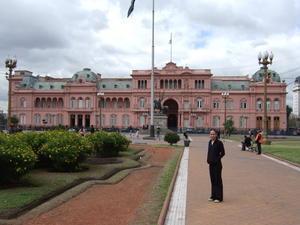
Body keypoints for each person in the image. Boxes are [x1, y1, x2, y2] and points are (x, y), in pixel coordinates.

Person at [207, 129, 225, 203]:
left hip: (217, 165)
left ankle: (219, 197)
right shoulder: (210, 142)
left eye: (213, 134)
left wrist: (217, 159)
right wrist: (208, 159)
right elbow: (209, 152)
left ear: (216, 135)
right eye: (211, 134)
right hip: (211, 164)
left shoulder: (219, 143)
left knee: (218, 180)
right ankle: (213, 195)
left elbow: (223, 153)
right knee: (213, 180)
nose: (212, 135)